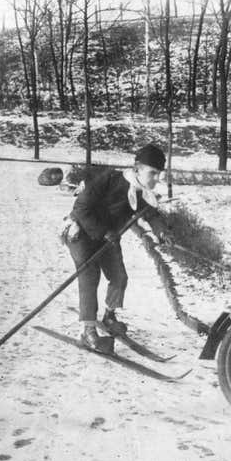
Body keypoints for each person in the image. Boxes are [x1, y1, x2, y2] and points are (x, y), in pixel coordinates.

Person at [61, 143, 173, 354]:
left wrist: (161, 232)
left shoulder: (142, 192)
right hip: (82, 233)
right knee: (89, 277)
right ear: (137, 169)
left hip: (108, 238)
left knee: (119, 276)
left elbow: (151, 214)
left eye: (159, 174)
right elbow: (81, 208)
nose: (156, 178)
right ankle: (88, 331)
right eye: (153, 173)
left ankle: (109, 317)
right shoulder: (109, 180)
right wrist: (104, 232)